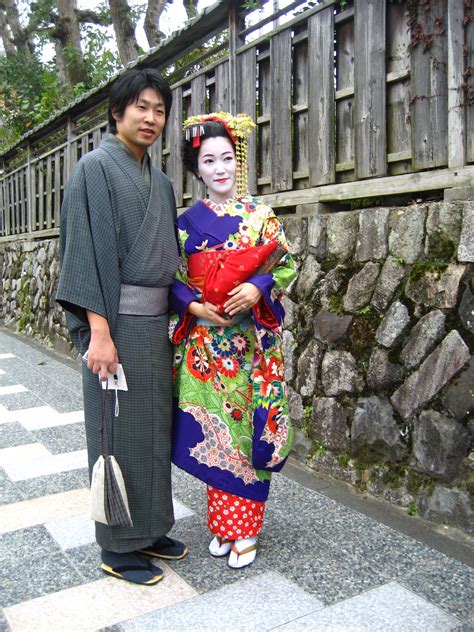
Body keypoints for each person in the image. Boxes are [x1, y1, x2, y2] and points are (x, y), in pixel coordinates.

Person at [56, 67, 187, 586]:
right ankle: (116, 543)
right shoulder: (94, 168)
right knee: (113, 431)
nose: (151, 118)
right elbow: (85, 254)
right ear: (118, 112)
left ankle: (150, 527)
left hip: (153, 328)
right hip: (113, 324)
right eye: (142, 107)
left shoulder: (160, 181)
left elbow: (171, 263)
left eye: (160, 110)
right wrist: (100, 333)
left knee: (152, 432)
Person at [169, 112, 296, 569]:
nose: (220, 168)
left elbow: (285, 266)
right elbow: (175, 279)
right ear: (197, 169)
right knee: (212, 433)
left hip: (247, 347)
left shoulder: (261, 217)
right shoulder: (185, 224)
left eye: (227, 158)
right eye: (209, 161)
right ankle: (223, 526)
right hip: (205, 347)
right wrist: (194, 305)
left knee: (245, 432)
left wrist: (256, 287)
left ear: (237, 163)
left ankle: (247, 531)